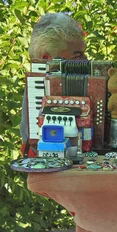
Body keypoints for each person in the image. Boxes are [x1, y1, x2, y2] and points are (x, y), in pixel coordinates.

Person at [20, 13, 87, 157]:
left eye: (84, 53)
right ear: (46, 58)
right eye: (77, 56)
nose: (86, 60)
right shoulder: (37, 87)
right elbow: (34, 144)